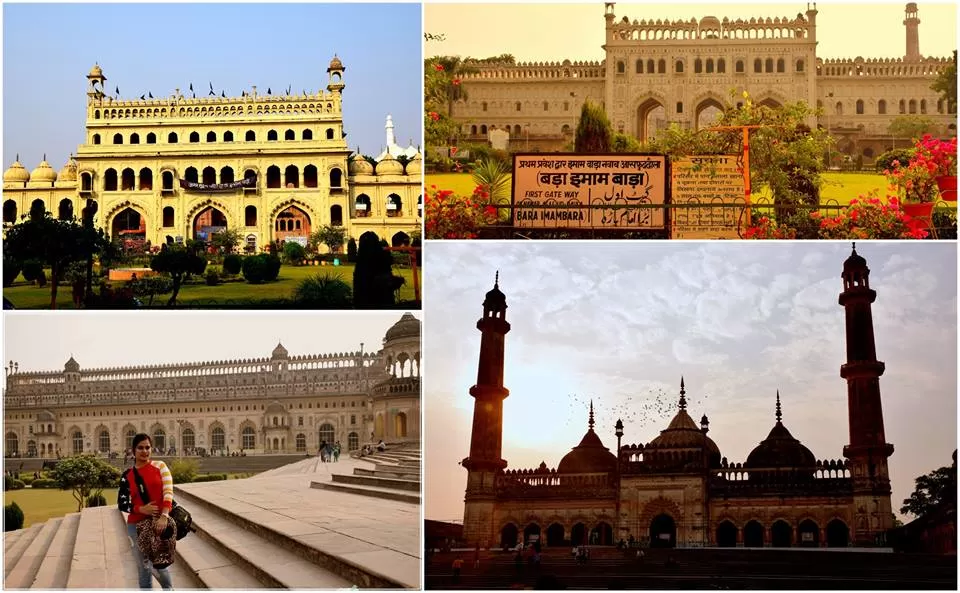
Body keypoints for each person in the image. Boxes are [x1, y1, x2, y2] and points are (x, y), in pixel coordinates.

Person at [117, 433, 175, 590]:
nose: (145, 451)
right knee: (143, 568)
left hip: (158, 524)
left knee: (160, 565)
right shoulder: (127, 476)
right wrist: (141, 509)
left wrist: (164, 515)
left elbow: (168, 492)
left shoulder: (160, 466)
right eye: (140, 448)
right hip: (135, 526)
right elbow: (122, 504)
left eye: (147, 447)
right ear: (133, 450)